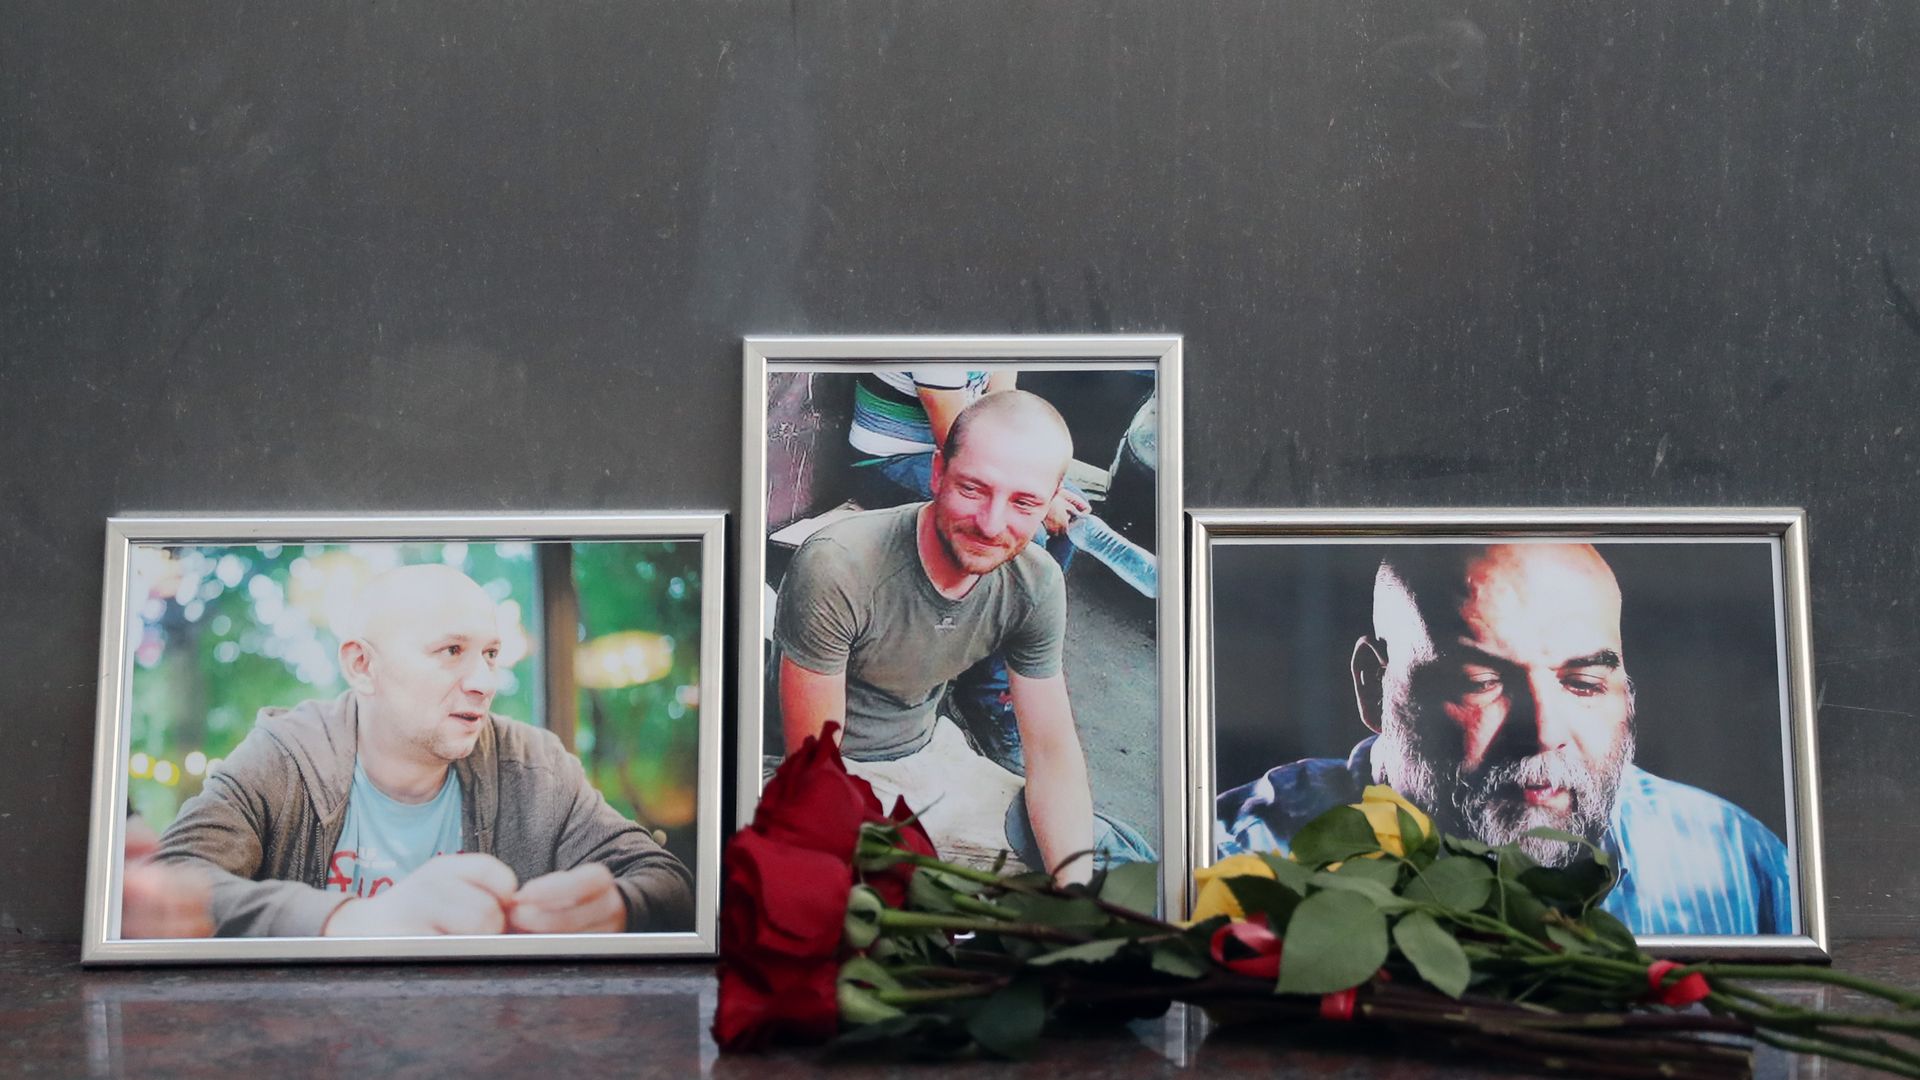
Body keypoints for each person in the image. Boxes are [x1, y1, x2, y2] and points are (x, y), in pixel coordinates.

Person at [1216, 543, 1793, 936]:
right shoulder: (1235, 866)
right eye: (1478, 682)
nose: (1544, 733)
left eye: (1584, 683)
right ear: (1373, 687)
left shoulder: (1740, 862)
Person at [154, 564, 694, 937]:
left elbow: (665, 879)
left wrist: (619, 907)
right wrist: (353, 921)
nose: (484, 681)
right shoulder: (285, 756)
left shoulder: (534, 765)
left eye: (490, 653)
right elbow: (170, 882)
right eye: (452, 650)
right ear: (362, 666)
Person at [775, 390, 1106, 883]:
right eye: (973, 489)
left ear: (1050, 502)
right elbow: (813, 769)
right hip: (825, 774)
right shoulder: (840, 565)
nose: (991, 524)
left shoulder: (1036, 583)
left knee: (1106, 856)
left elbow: (1052, 753)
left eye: (1024, 502)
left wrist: (1073, 893)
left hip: (930, 754)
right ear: (937, 473)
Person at [844, 367, 1090, 772]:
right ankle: (988, 694)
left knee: (1071, 520)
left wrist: (1041, 492)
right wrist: (1036, 505)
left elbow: (1006, 415)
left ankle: (990, 674)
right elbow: (957, 441)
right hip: (889, 461)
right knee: (1028, 536)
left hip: (965, 458)